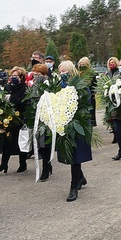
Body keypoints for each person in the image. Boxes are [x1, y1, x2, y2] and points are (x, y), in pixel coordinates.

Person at [56, 61, 93, 202]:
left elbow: (86, 104)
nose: (62, 74)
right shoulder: (59, 86)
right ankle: (80, 178)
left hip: (78, 124)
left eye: (65, 71)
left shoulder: (81, 85)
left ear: (71, 71)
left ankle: (73, 187)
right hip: (64, 124)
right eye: (60, 71)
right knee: (71, 155)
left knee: (75, 155)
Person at [0, 66, 29, 173]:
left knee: (20, 142)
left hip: (19, 118)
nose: (13, 78)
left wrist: (12, 98)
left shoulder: (25, 88)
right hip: (7, 118)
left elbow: (24, 102)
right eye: (12, 76)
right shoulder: (9, 87)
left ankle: (22, 164)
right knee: (6, 141)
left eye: (16, 76)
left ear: (21, 77)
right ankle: (4, 164)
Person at [28, 63, 53, 181]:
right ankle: (48, 164)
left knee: (45, 144)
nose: (35, 76)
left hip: (47, 118)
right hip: (36, 117)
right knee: (40, 144)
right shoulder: (34, 85)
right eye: (34, 74)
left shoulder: (48, 84)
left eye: (38, 74)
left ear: (44, 74)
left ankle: (46, 169)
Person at [77, 57, 97, 127]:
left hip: (90, 95)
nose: (82, 66)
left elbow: (94, 86)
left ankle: (91, 124)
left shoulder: (91, 74)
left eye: (84, 64)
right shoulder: (77, 74)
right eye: (80, 64)